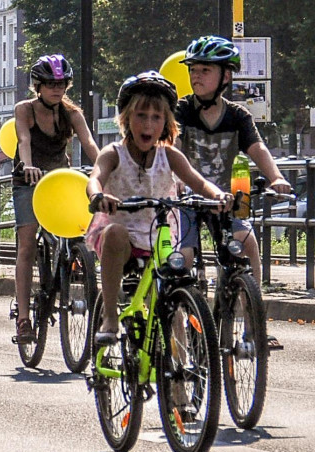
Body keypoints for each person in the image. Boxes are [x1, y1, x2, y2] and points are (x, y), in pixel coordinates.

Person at [86, 72, 231, 344]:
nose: (148, 124)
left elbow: (199, 182)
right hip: (123, 236)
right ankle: (109, 314)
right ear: (127, 118)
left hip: (160, 234)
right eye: (141, 115)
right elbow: (95, 178)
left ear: (166, 123)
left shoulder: (170, 155)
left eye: (156, 118)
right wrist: (98, 196)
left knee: (173, 288)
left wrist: (218, 196)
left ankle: (178, 364)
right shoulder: (114, 153)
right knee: (115, 233)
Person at [175, 35, 292, 349]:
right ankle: (181, 331)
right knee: (182, 259)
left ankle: (254, 327)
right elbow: (171, 150)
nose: (195, 76)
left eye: (204, 70)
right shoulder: (181, 110)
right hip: (189, 197)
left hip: (230, 197)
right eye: (193, 70)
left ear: (225, 76)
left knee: (247, 243)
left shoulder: (238, 116)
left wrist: (277, 178)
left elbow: (258, 149)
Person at [11, 55, 99, 344]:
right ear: (38, 85)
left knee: (79, 233)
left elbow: (89, 143)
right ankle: (24, 319)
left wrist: (106, 170)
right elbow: (24, 141)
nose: (56, 89)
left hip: (60, 180)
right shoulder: (25, 109)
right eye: (50, 84)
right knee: (26, 245)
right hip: (29, 180)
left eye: (61, 84)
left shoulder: (72, 113)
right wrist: (27, 165)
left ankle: (72, 266)